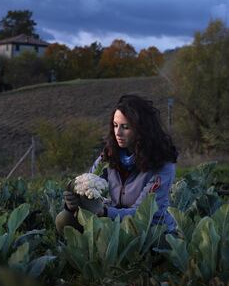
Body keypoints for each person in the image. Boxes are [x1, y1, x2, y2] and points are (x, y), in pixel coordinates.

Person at [55, 94, 178, 235]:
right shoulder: (108, 156)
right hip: (113, 222)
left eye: (125, 127)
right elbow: (89, 183)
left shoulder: (162, 163)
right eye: (115, 125)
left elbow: (142, 213)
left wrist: (105, 212)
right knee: (65, 219)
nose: (118, 133)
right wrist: (75, 204)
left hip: (150, 229)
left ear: (142, 129)